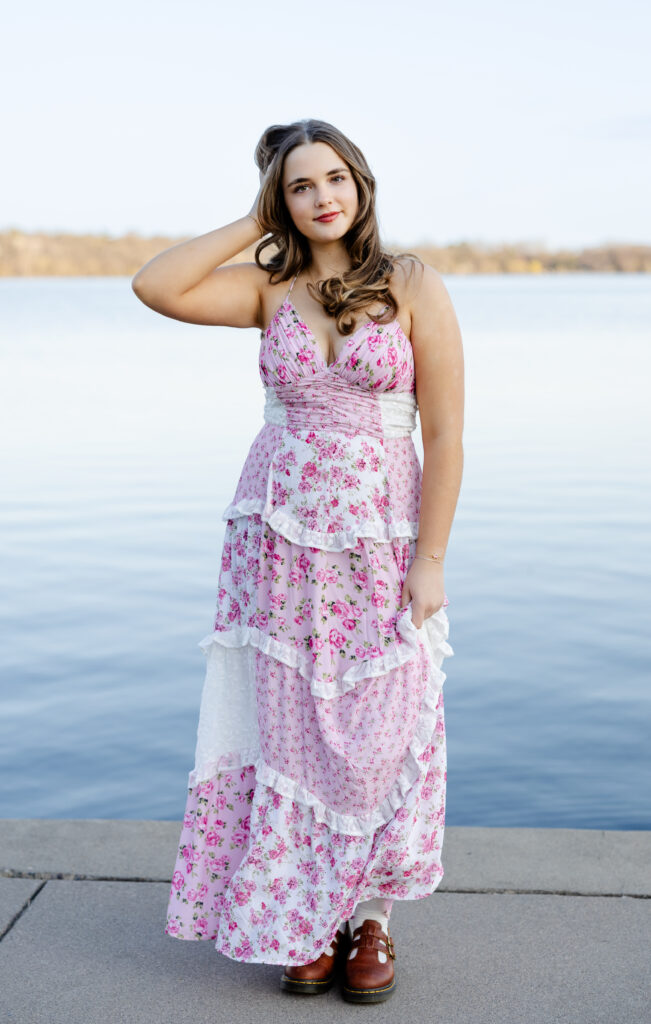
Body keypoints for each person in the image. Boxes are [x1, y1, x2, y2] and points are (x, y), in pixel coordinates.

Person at [131, 117, 464, 1004]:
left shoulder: (411, 284)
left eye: (334, 179)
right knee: (292, 731)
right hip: (274, 541)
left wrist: (429, 558)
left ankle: (373, 921)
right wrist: (252, 219)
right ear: (281, 198)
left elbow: (446, 434)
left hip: (380, 541)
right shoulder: (268, 288)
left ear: (361, 185)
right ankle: (305, 917)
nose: (322, 198)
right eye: (299, 185)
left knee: (378, 731)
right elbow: (154, 284)